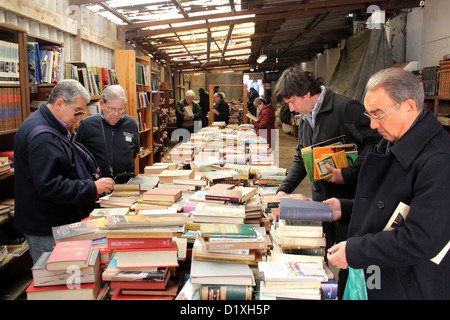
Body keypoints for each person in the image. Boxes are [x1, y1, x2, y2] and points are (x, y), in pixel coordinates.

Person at [326, 67, 450, 300]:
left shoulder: (439, 162)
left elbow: (421, 238)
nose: (373, 125)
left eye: (379, 113)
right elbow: (391, 205)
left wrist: (356, 251)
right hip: (382, 274)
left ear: (409, 107)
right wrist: (345, 208)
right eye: (369, 114)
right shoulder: (396, 141)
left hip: (409, 284)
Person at [273, 65, 382, 251]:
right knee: (326, 251)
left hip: (349, 203)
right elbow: (301, 157)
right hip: (322, 201)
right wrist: (283, 190)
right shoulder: (307, 118)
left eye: (292, 102)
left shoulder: (346, 108)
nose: (291, 109)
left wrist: (348, 174)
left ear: (306, 93)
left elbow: (378, 142)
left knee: (349, 262)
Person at [14, 79, 115, 263]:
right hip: (45, 226)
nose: (79, 118)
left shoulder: (52, 124)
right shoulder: (43, 136)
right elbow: (50, 186)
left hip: (52, 220)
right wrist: (91, 188)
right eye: (77, 112)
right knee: (54, 278)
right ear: (60, 103)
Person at [75, 85, 139, 183]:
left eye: (120, 109)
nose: (116, 114)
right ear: (102, 104)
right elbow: (78, 155)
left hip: (127, 183)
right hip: (97, 184)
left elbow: (135, 150)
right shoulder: (87, 125)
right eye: (112, 109)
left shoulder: (131, 123)